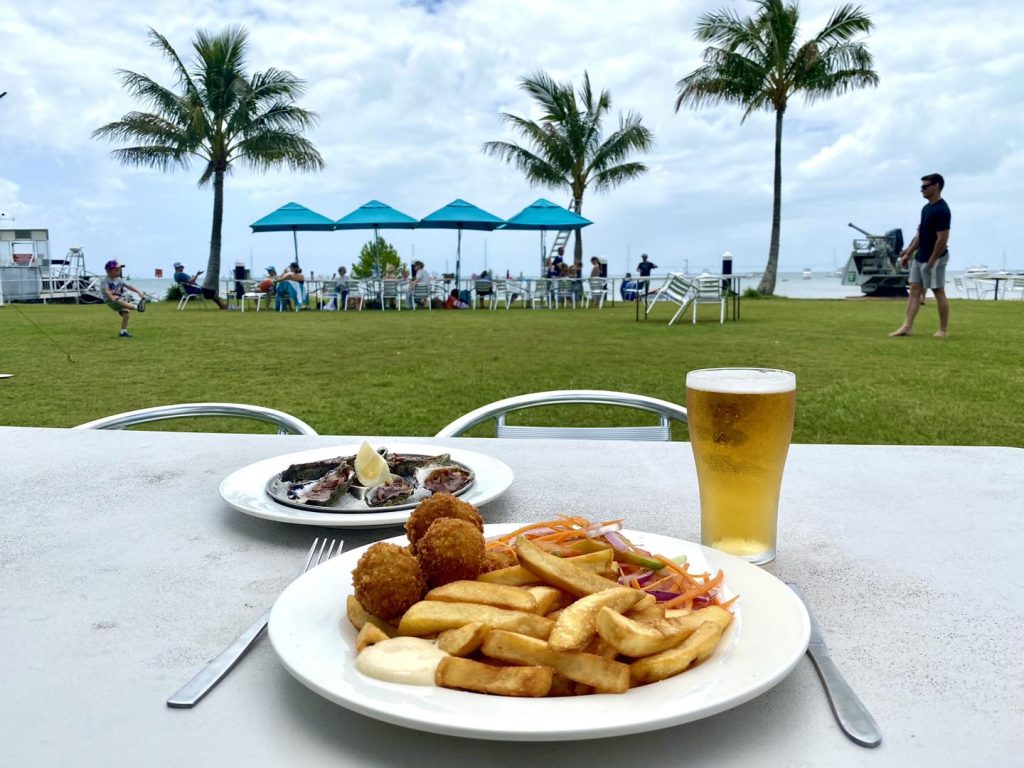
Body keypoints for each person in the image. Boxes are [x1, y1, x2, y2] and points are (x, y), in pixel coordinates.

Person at [890, 173, 951, 338]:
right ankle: (907, 326)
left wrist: (932, 261)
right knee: (915, 289)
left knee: (938, 291)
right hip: (921, 256)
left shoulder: (942, 210)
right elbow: (921, 236)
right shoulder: (926, 208)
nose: (921, 190)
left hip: (936, 257)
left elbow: (942, 240)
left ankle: (943, 330)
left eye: (925, 186)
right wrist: (908, 254)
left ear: (936, 186)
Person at [102, 260, 146, 338]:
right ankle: (137, 307)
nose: (119, 272)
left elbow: (128, 286)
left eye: (119, 270)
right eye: (116, 270)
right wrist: (112, 297)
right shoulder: (105, 280)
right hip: (110, 300)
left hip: (119, 299)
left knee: (126, 315)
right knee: (119, 300)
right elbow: (106, 291)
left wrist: (138, 291)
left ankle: (123, 332)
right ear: (109, 271)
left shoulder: (119, 279)